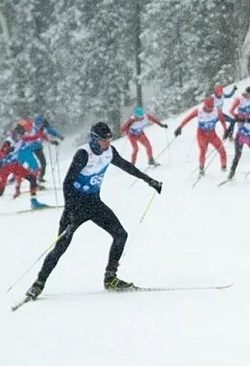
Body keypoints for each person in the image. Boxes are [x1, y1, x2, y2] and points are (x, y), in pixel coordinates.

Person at [23, 123, 162, 300]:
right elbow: (67, 183)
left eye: (110, 140)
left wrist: (149, 180)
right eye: (105, 140)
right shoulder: (83, 154)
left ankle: (110, 278)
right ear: (95, 139)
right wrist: (70, 210)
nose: (108, 143)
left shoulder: (109, 152)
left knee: (121, 235)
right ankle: (38, 284)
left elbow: (126, 166)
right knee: (61, 246)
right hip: (76, 206)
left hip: (94, 203)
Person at [0, 123, 47, 216]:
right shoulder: (8, 141)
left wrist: (41, 130)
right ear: (16, 133)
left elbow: (34, 137)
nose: (21, 136)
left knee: (32, 178)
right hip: (5, 167)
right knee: (0, 190)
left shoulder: (22, 139)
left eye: (22, 134)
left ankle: (34, 202)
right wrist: (7, 151)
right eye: (20, 134)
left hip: (15, 165)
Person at [174, 96, 228, 177]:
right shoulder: (199, 111)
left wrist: (225, 130)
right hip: (202, 134)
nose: (211, 109)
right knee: (203, 151)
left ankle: (224, 168)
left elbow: (222, 120)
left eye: (212, 107)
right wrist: (180, 127)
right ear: (205, 106)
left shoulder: (216, 111)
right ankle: (201, 170)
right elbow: (188, 118)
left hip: (212, 134)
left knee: (222, 150)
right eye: (209, 107)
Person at [31, 115, 63, 182]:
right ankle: (34, 177)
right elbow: (36, 137)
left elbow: (51, 131)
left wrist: (59, 136)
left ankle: (40, 177)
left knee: (42, 163)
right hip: (31, 148)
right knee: (35, 164)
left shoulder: (43, 128)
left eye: (42, 123)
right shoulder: (33, 129)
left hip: (38, 148)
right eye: (40, 124)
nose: (41, 125)